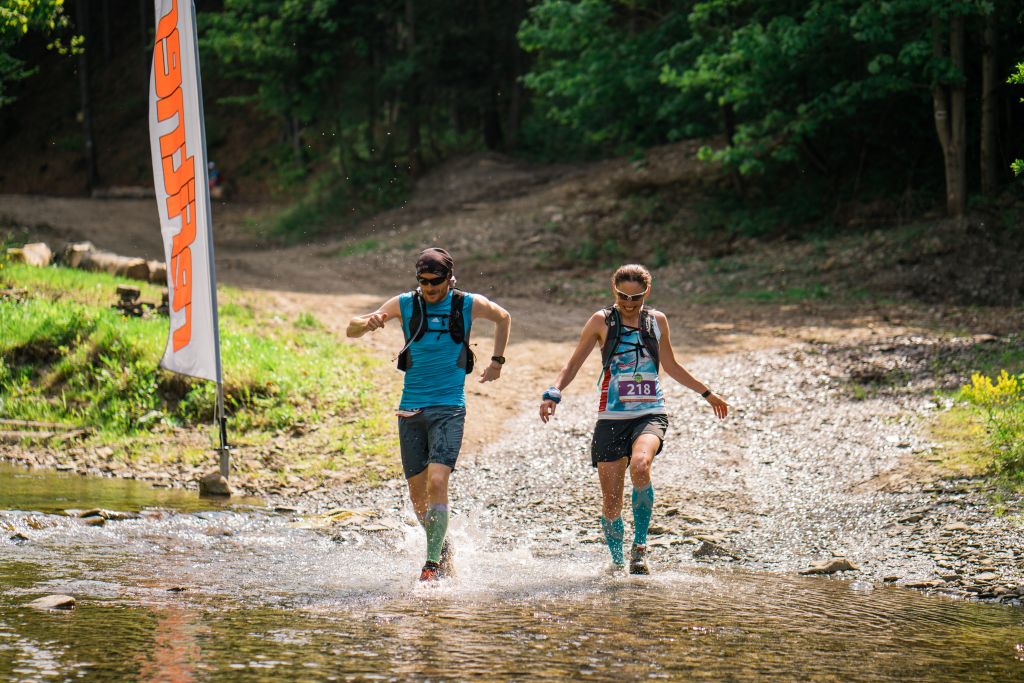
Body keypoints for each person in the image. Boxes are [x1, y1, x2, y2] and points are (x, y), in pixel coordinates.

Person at [539, 264, 728, 575]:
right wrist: (553, 392)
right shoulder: (601, 321)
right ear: (614, 291)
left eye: (636, 297)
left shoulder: (657, 321)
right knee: (611, 503)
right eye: (623, 296)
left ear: (646, 293)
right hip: (611, 417)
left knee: (641, 465)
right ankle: (616, 564)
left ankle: (640, 547)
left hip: (650, 412)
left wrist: (707, 393)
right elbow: (572, 364)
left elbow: (671, 364)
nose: (629, 303)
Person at [347, 248, 511, 582]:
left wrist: (497, 361)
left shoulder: (468, 303)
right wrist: (368, 323)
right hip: (410, 409)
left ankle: (431, 563)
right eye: (423, 282)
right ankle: (443, 546)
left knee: (438, 481)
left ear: (450, 279)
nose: (429, 289)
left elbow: (503, 317)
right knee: (417, 496)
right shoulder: (405, 303)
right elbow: (351, 329)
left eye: (435, 283)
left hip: (449, 407)